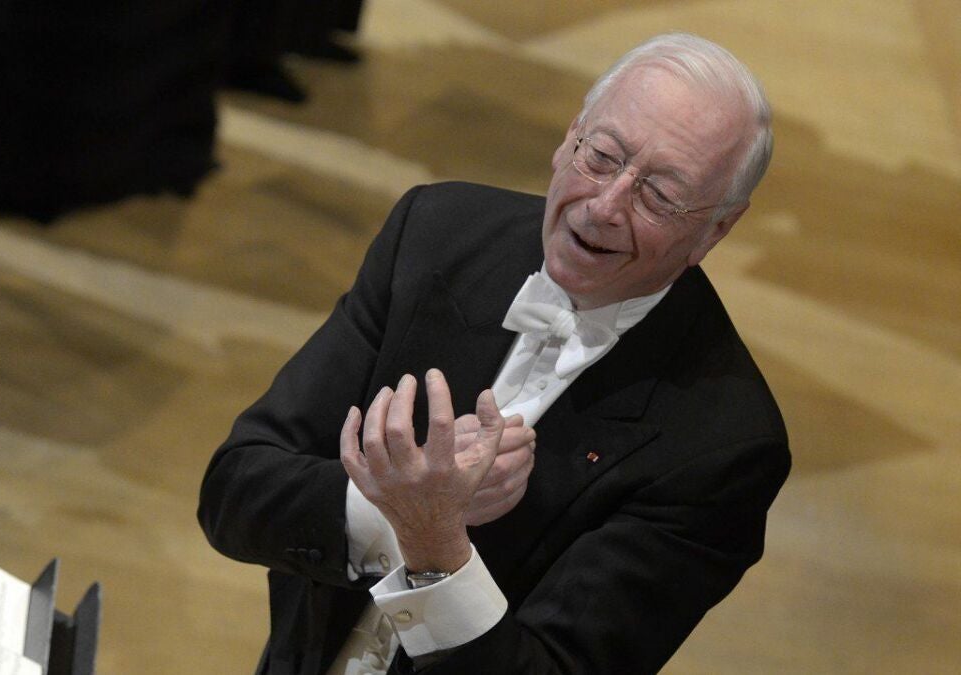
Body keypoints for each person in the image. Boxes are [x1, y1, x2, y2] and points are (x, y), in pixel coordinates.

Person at [199, 32, 790, 675]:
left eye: (660, 195)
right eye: (601, 156)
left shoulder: (725, 446)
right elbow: (234, 493)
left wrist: (435, 543)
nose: (604, 206)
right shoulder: (435, 234)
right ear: (568, 138)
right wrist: (392, 510)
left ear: (716, 229)